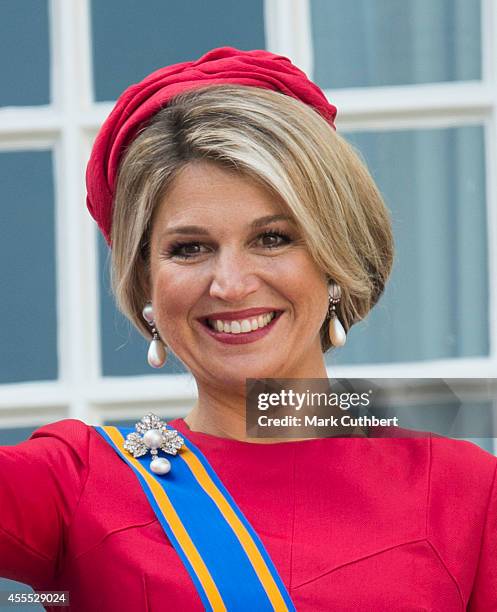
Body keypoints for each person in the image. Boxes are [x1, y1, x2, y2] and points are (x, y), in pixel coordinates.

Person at [0, 47, 495, 611]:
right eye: (189, 249)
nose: (230, 284)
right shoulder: (78, 483)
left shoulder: (467, 493)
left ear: (334, 258)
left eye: (273, 238)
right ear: (145, 286)